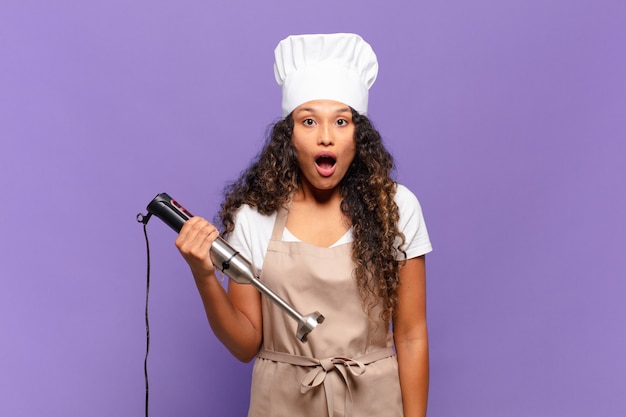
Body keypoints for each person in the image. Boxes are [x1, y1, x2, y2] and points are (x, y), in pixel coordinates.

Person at [175, 33, 432, 417]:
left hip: (375, 403)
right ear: (288, 136)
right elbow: (246, 345)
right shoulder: (254, 215)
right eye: (308, 121)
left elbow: (411, 337)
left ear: (358, 136)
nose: (325, 136)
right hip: (281, 403)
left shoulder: (396, 207)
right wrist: (204, 276)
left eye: (341, 121)